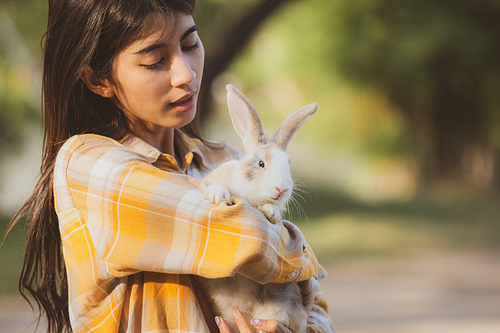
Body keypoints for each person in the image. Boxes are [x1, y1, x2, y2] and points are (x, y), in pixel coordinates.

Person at [6, 0, 335, 332]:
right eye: (154, 60)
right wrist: (299, 254)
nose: (186, 74)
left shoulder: (225, 159)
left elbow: (316, 309)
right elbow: (245, 240)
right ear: (98, 79)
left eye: (191, 44)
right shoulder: (87, 165)